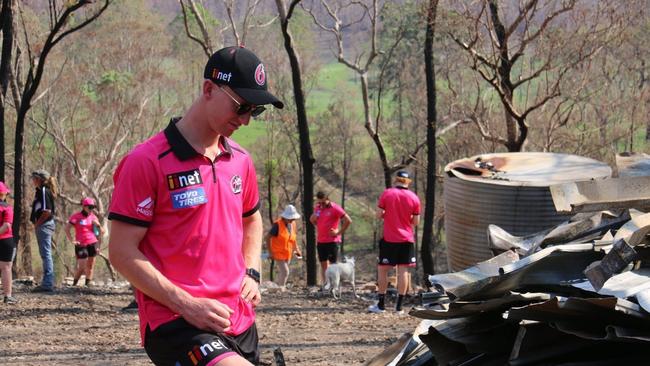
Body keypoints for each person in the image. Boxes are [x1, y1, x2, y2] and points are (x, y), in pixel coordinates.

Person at [108, 46, 283, 366]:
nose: (245, 120)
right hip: (176, 322)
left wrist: (252, 271)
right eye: (241, 106)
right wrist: (187, 304)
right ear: (208, 89)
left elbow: (252, 219)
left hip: (238, 321)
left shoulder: (241, 161)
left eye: (254, 111)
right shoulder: (146, 162)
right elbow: (121, 251)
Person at [368, 170, 421, 314]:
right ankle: (399, 307)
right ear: (408, 182)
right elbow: (415, 222)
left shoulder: (388, 193)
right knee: (403, 271)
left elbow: (379, 215)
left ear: (395, 180)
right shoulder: (414, 197)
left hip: (390, 238)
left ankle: (381, 305)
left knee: (383, 270)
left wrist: (389, 215)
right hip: (407, 239)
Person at [309, 191, 352, 287]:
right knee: (323, 264)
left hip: (333, 241)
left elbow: (348, 220)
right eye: (319, 202)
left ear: (328, 199)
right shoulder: (318, 208)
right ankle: (326, 284)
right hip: (321, 241)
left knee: (333, 265)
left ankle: (334, 286)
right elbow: (312, 219)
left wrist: (338, 232)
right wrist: (318, 224)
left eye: (323, 203)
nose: (321, 205)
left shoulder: (335, 208)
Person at [30, 169, 58, 292]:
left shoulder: (43, 191)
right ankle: (47, 281)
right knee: (45, 253)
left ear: (39, 179)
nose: (32, 180)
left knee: (46, 254)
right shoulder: (40, 191)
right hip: (44, 225)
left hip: (44, 225)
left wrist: (38, 224)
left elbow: (47, 211)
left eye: (34, 178)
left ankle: (47, 283)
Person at [66, 197, 104, 287]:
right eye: (89, 207)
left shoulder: (94, 217)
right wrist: (72, 240)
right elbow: (67, 228)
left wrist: (98, 225)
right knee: (82, 266)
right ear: (84, 206)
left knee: (90, 265)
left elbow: (101, 232)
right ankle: (74, 284)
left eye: (93, 207)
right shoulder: (76, 216)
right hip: (81, 244)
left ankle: (88, 283)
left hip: (93, 243)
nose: (91, 209)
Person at [264, 204, 302, 290]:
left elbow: (293, 238)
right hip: (277, 252)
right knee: (285, 272)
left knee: (282, 272)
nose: (293, 219)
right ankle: (281, 289)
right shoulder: (277, 225)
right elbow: (267, 237)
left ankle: (277, 288)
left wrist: (297, 250)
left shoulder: (293, 224)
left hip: (287, 253)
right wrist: (270, 252)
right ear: (285, 217)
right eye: (291, 218)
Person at [0, 181, 17, 304]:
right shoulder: (7, 207)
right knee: (6, 267)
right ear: (3, 194)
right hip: (5, 240)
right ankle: (8, 296)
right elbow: (6, 225)